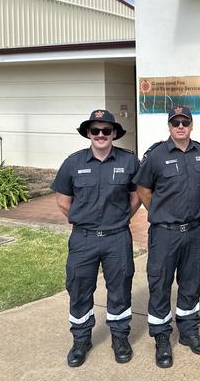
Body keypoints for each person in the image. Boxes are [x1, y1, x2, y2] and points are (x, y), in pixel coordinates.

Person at [51, 109, 141, 367]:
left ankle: (120, 338)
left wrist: (120, 218)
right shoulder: (73, 163)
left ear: (114, 134)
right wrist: (87, 220)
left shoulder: (129, 161)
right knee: (79, 288)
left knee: (120, 289)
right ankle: (81, 340)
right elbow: (63, 201)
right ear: (88, 134)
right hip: (84, 239)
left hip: (117, 238)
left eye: (106, 130)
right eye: (95, 130)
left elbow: (136, 197)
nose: (100, 135)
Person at [133, 106, 200, 369]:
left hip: (194, 231)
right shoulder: (156, 155)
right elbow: (143, 188)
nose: (180, 126)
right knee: (160, 283)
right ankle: (162, 338)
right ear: (169, 126)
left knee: (191, 281)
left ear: (192, 125)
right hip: (165, 232)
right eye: (175, 122)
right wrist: (160, 211)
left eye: (185, 122)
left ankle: (189, 331)